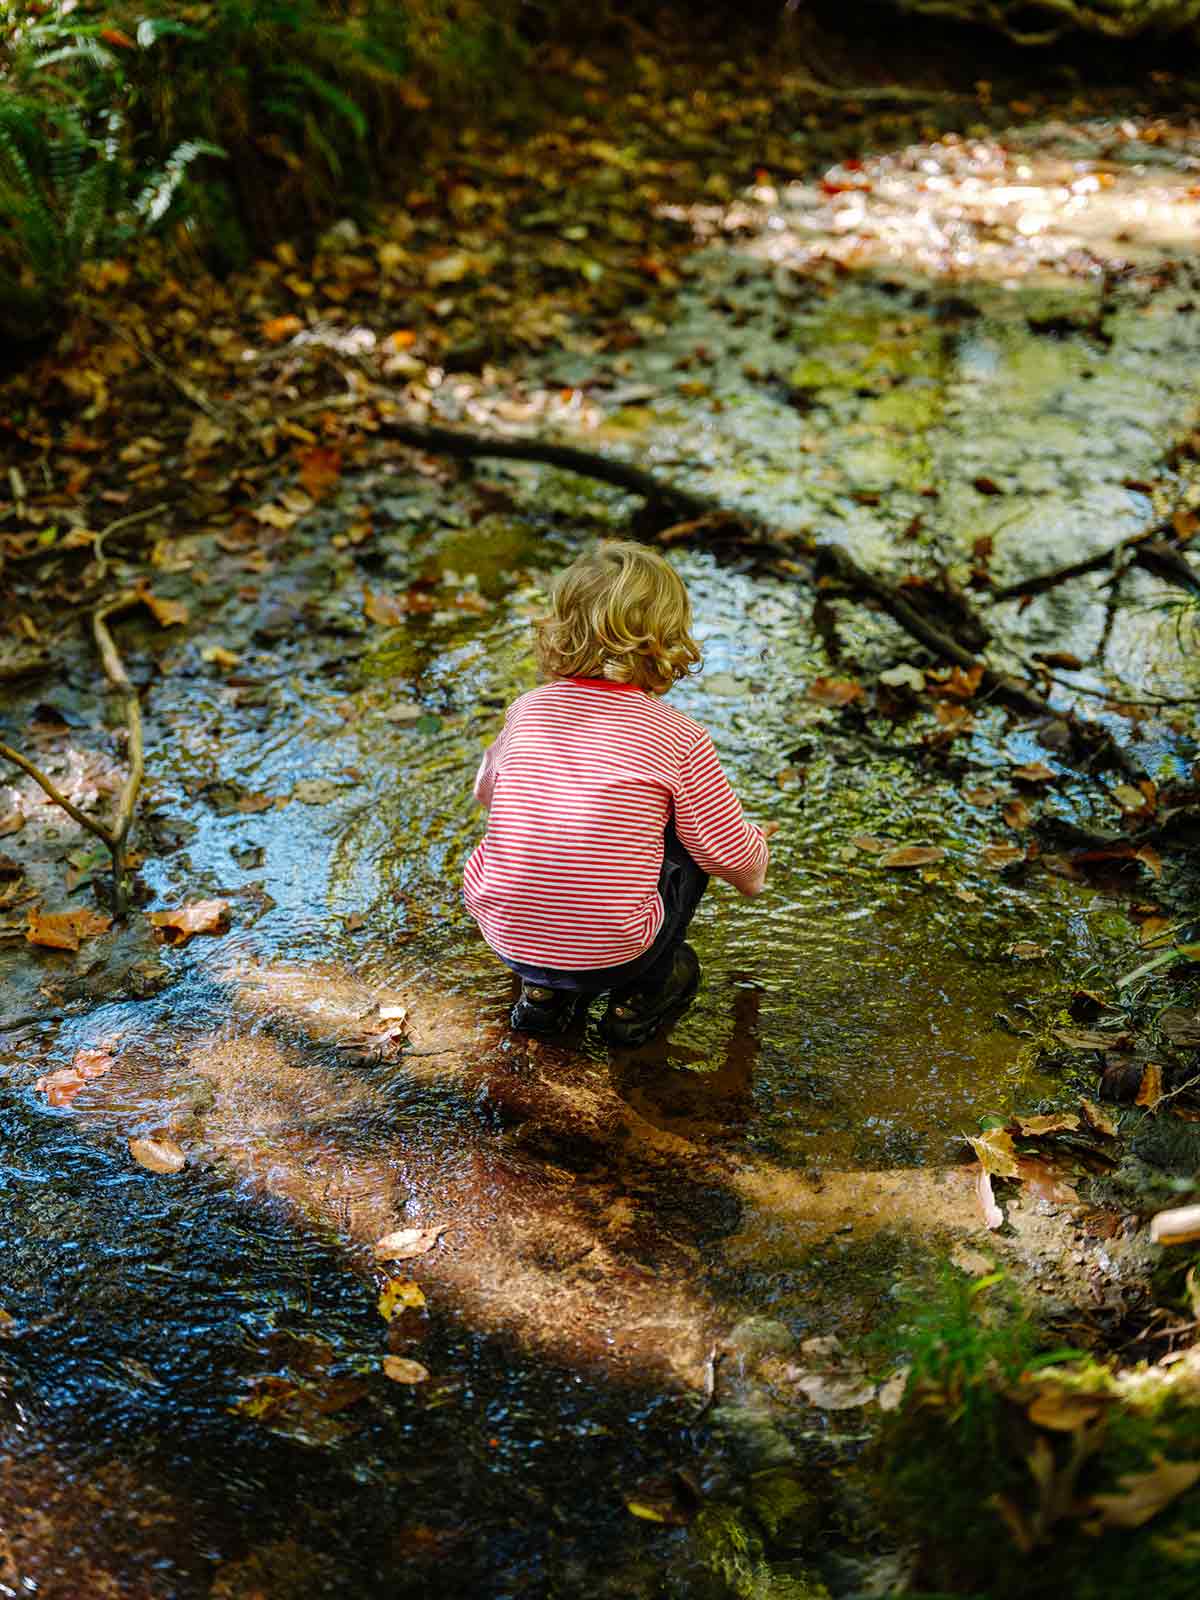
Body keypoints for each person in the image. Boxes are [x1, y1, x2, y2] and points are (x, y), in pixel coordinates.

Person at [463, 540, 772, 1046]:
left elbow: (487, 795)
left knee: (534, 813)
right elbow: (724, 850)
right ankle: (640, 998)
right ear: (668, 638)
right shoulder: (678, 735)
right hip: (616, 949)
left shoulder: (527, 710)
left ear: (561, 629)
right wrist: (756, 859)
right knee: (688, 839)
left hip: (507, 936)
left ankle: (542, 999)